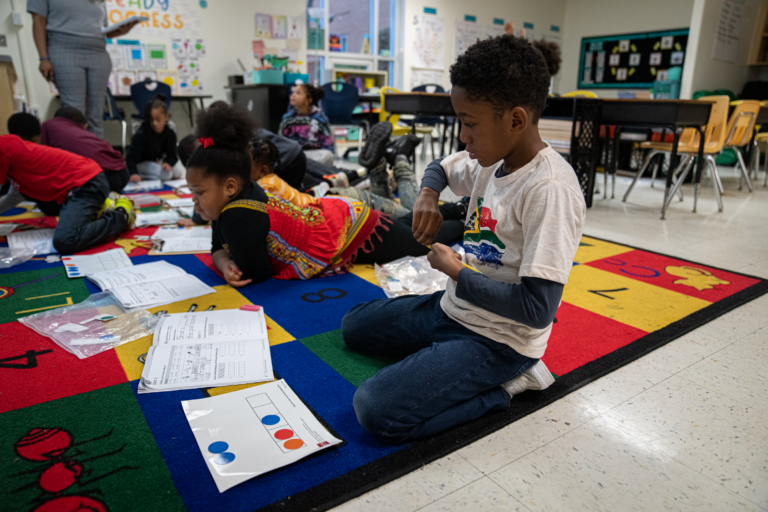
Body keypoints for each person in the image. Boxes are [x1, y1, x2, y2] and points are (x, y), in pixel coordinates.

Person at [341, 35, 586, 444]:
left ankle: (506, 387)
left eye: (469, 123)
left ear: (516, 120)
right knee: (353, 327)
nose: (463, 136)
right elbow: (440, 166)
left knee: (374, 409)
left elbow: (537, 309)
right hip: (453, 307)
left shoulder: (549, 189)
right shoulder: (495, 158)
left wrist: (456, 270)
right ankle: (442, 356)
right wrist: (426, 195)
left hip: (499, 339)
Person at [184, 103, 464, 286]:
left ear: (230, 187)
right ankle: (459, 209)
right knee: (405, 224)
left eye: (198, 192)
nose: (193, 201)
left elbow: (257, 273)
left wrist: (225, 265)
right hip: (336, 215)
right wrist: (223, 260)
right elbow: (217, 248)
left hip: (351, 231)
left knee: (420, 238)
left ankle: (464, 222)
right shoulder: (234, 201)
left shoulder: (237, 216)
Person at [0, 134, 134, 254]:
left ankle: (121, 215)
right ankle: (101, 207)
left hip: (88, 184)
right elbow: (15, 196)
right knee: (48, 209)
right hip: (79, 185)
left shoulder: (3, 149)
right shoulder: (9, 150)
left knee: (65, 240)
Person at [27, 0, 139, 138]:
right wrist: (43, 58)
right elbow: (38, 20)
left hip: (98, 51)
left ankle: (94, 157)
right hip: (63, 47)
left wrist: (121, 31)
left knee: (95, 115)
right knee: (74, 114)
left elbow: (102, 30)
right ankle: (74, 157)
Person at [40, 107, 132, 193]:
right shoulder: (83, 136)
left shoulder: (47, 126)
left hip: (100, 178)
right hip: (122, 172)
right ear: (84, 126)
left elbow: (46, 164)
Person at [278, 84, 335, 166]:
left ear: (309, 100)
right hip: (295, 155)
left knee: (328, 155)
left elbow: (328, 144)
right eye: (293, 92)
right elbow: (281, 142)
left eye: (298, 93)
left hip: (315, 155)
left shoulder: (320, 118)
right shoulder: (287, 118)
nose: (293, 95)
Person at [126, 96, 179, 181]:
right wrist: (133, 173)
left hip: (156, 162)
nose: (154, 123)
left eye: (158, 120)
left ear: (166, 117)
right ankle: (143, 176)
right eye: (151, 120)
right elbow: (130, 157)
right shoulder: (142, 134)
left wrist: (168, 163)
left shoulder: (170, 134)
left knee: (177, 172)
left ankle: (154, 177)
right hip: (141, 164)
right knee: (166, 175)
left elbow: (173, 156)